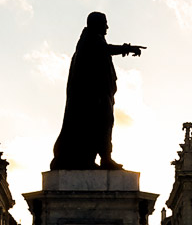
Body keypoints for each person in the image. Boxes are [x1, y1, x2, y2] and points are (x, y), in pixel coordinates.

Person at [50, 11, 144, 171]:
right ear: (96, 24)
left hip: (99, 93)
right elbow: (104, 49)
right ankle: (99, 159)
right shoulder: (90, 40)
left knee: (101, 124)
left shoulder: (92, 40)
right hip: (91, 95)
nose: (107, 26)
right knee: (97, 124)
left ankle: (100, 158)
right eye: (104, 23)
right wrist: (127, 48)